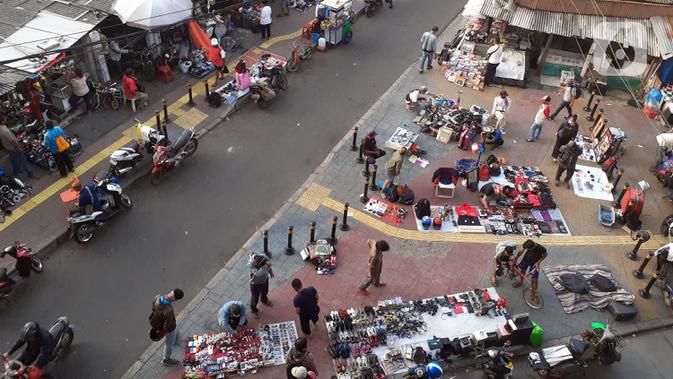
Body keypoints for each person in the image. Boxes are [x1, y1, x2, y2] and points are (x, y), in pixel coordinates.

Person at [151, 288, 184, 366]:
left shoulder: (158, 297)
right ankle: (166, 359)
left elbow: (153, 308)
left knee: (173, 337)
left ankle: (174, 339)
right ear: (175, 299)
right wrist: (164, 331)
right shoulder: (168, 310)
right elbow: (168, 325)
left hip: (158, 321)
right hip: (169, 329)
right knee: (169, 343)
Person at [249, 252, 274, 319]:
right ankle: (254, 309)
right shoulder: (251, 264)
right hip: (255, 284)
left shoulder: (263, 256)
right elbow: (258, 274)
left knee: (265, 291)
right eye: (261, 266)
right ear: (257, 264)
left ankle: (264, 300)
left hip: (265, 280)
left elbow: (268, 265)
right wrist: (265, 265)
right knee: (255, 298)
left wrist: (270, 271)